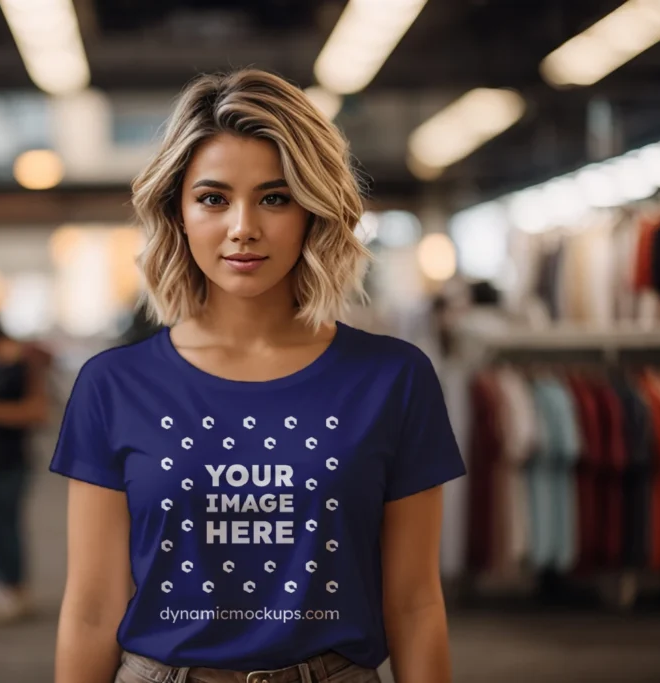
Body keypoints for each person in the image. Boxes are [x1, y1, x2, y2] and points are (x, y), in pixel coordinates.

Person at [49, 70, 466, 683]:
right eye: (213, 198)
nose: (243, 226)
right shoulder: (113, 386)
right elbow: (91, 609)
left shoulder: (394, 379)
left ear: (312, 211)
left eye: (275, 197)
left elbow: (415, 603)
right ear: (179, 213)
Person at [0, 312, 50, 622]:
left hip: (14, 457)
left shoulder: (24, 363)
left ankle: (15, 589)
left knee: (8, 524)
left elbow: (38, 411)